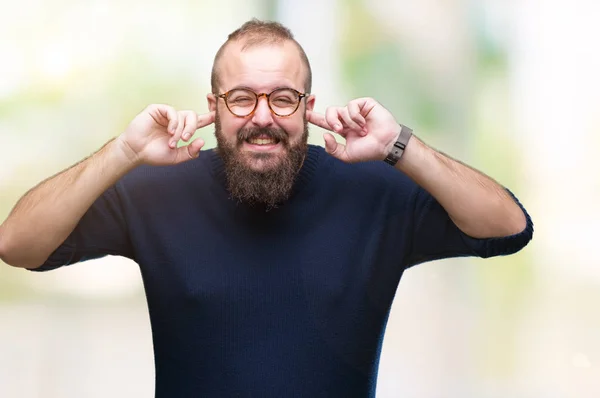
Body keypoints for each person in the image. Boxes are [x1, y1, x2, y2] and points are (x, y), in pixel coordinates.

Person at [0, 19, 533, 398]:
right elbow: (17, 245)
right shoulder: (156, 191)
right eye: (241, 98)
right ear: (213, 107)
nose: (263, 117)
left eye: (282, 98)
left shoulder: (371, 190)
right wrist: (124, 151)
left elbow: (509, 227)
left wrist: (401, 146)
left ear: (307, 106)